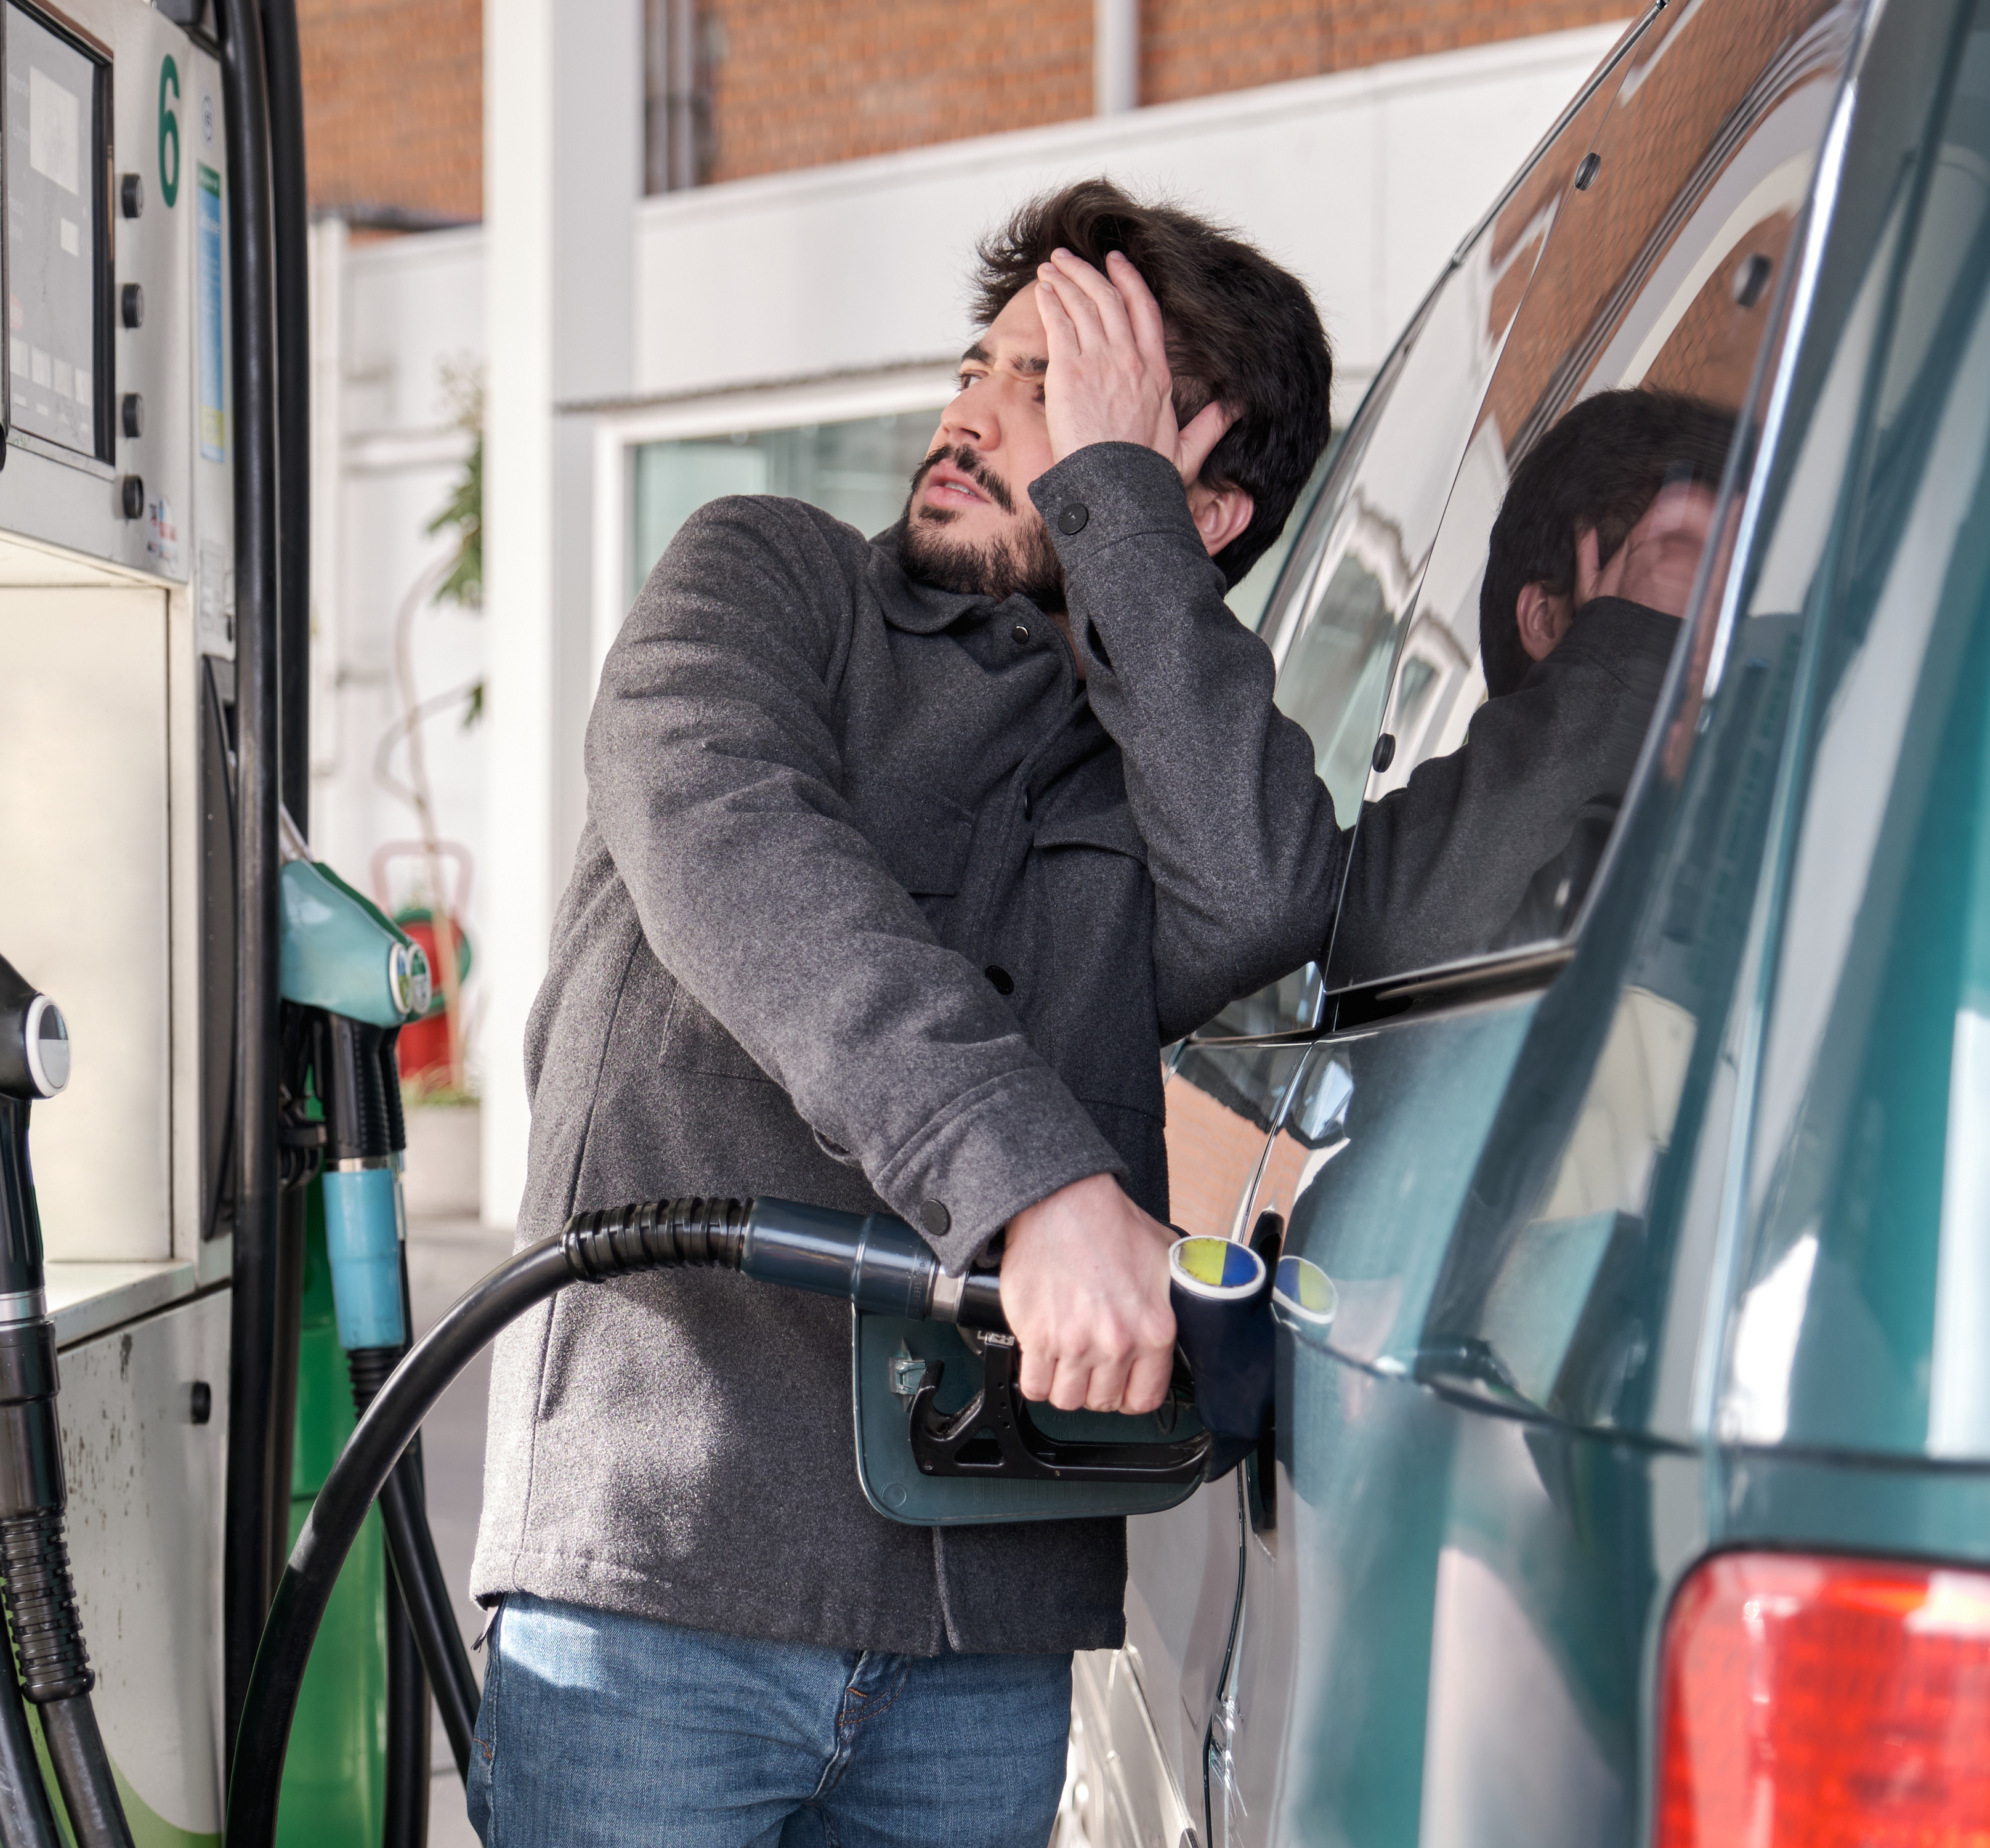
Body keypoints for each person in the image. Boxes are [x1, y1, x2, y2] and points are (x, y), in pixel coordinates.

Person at [464, 179, 1340, 1846]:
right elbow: (732, 842)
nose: (971, 413)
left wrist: (1113, 515)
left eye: (1049, 389)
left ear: (1190, 504)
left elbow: (1263, 894)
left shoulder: (1151, 754)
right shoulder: (760, 574)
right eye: (982, 363)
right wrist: (1030, 1184)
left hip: (980, 1630)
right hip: (663, 1574)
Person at [1331, 388, 1736, 982]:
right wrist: (1622, 654)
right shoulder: (1526, 895)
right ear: (1548, 620)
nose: (1710, 661)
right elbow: (1400, 952)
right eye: (1674, 616)